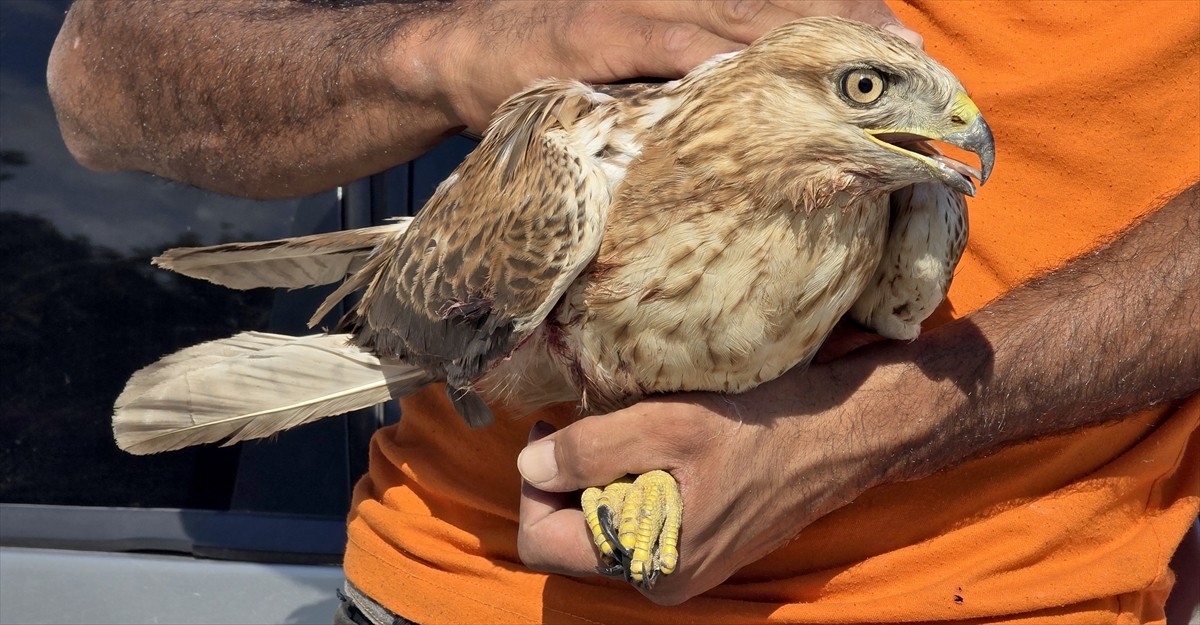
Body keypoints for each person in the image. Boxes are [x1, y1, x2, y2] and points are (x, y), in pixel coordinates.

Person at [48, 1, 1198, 623]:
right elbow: (102, 76)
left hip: (1023, 598)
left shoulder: (911, 203)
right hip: (475, 590)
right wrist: (457, 49)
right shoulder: (575, 180)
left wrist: (850, 434)